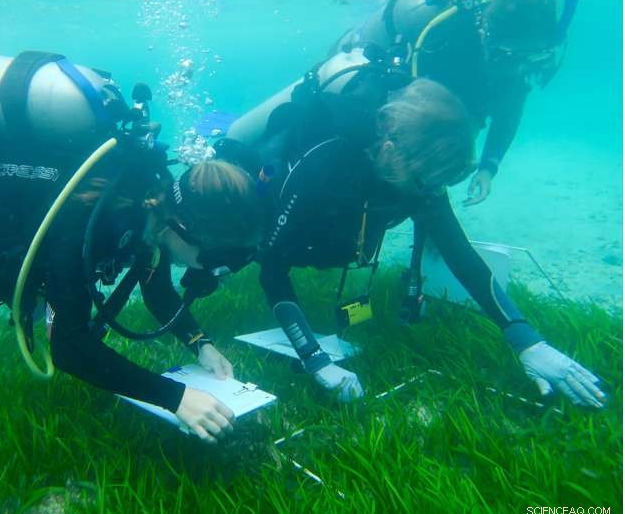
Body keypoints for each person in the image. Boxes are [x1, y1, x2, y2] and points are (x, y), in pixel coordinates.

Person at [0, 41, 265, 444]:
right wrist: (175, 398)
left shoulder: (153, 202)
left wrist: (200, 343)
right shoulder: (89, 219)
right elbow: (70, 347)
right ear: (184, 228)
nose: (209, 270)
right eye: (211, 258)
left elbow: (155, 287)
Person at [220, 76, 606, 409]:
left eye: (440, 185)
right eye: (428, 183)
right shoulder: (325, 165)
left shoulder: (421, 181)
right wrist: (315, 359)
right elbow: (271, 267)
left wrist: (525, 339)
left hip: (344, 239)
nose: (433, 195)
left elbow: (461, 254)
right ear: (393, 154)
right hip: (293, 228)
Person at [333, 0, 575, 205]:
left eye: (531, 56)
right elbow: (401, 107)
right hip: (399, 87)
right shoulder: (446, 35)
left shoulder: (517, 57)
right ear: (487, 34)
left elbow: (509, 113)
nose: (516, 66)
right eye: (509, 54)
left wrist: (489, 167)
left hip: (449, 104)